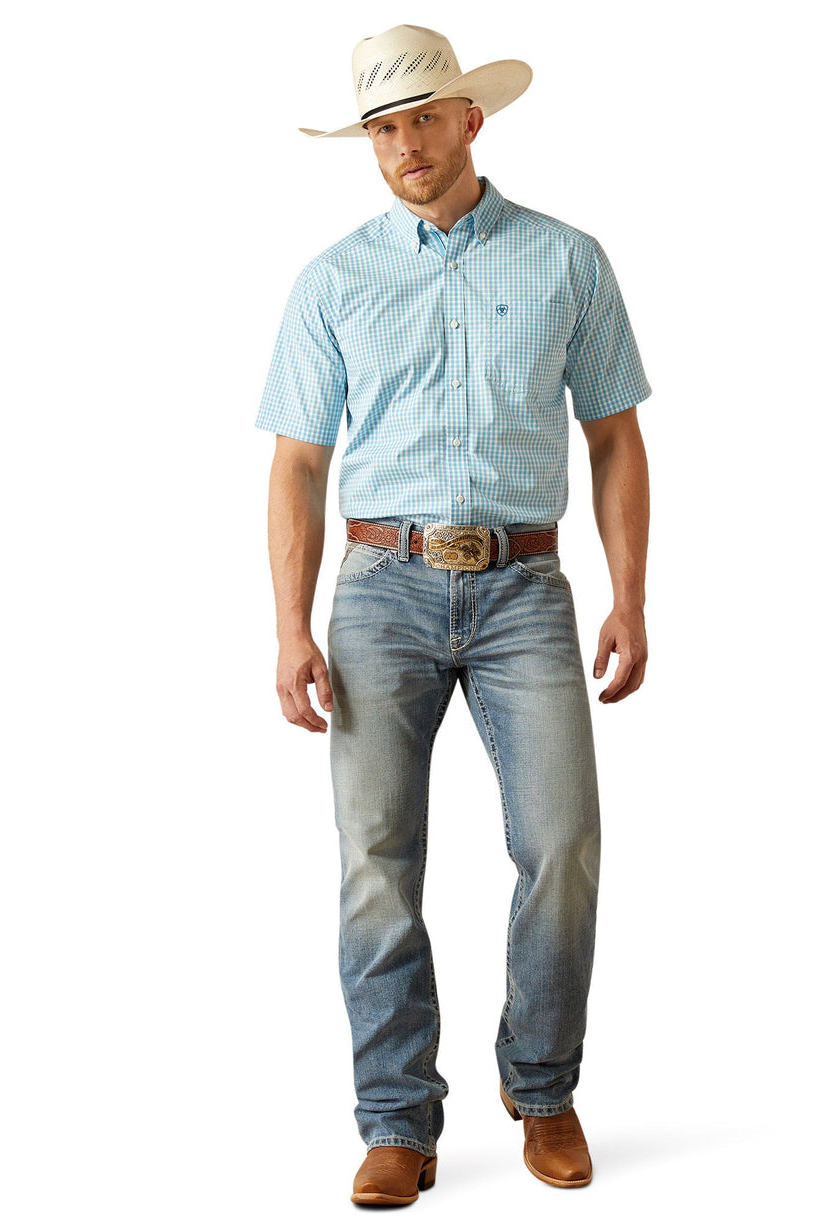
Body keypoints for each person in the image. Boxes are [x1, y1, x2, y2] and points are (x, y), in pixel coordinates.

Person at [256, 24, 653, 1207]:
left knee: (564, 844)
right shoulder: (332, 280)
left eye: (423, 119)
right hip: (380, 593)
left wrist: (632, 593)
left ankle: (542, 1089)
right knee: (375, 862)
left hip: (529, 590)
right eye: (383, 128)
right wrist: (289, 625)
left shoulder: (568, 261)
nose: (405, 145)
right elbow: (296, 467)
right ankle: (395, 1120)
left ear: (471, 120)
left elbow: (616, 434)